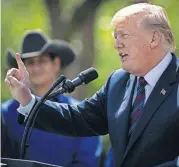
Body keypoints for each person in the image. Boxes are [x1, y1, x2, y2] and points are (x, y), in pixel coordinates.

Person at [5, 3, 179, 167]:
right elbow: (79, 118)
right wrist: (27, 99)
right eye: (115, 37)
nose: (116, 44)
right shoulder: (118, 82)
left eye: (124, 35)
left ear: (154, 38)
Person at [2, 30, 102, 167]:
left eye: (42, 61)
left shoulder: (79, 114)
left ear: (56, 64)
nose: (36, 68)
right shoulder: (5, 114)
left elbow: (87, 162)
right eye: (30, 62)